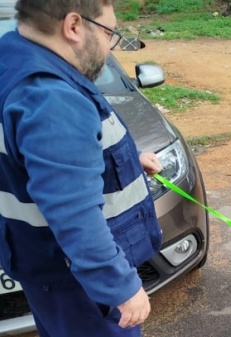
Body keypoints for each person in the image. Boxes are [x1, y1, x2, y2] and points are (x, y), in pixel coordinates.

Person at [0, 1, 163, 336]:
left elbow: (40, 163)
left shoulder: (13, 59)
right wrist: (120, 287)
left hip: (48, 271)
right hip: (81, 287)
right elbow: (75, 214)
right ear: (74, 25)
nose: (110, 45)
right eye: (108, 32)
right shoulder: (52, 96)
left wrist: (129, 160)